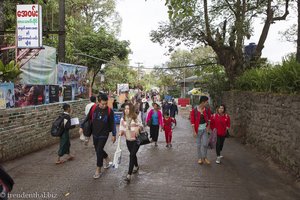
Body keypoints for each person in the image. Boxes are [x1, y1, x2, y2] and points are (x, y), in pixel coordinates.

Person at [86, 93, 116, 179]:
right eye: (102, 104)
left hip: (104, 133)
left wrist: (114, 134)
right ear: (98, 102)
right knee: (98, 150)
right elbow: (88, 118)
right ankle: (106, 157)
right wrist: (81, 126)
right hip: (95, 133)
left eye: (106, 103)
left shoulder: (110, 111)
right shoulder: (94, 108)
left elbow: (113, 123)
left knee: (99, 150)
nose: (104, 105)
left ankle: (98, 169)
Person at [119, 103, 143, 182]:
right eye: (125, 109)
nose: (126, 110)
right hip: (128, 140)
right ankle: (136, 166)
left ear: (131, 109)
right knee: (133, 155)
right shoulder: (123, 119)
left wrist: (138, 128)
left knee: (131, 155)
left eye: (128, 108)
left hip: (136, 140)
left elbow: (141, 125)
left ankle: (129, 175)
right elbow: (121, 128)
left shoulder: (135, 117)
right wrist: (121, 132)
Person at [190, 96, 212, 165]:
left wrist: (208, 126)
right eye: (206, 102)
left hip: (205, 130)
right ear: (203, 102)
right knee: (198, 145)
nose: (207, 103)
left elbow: (209, 119)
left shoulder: (207, 109)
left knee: (205, 144)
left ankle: (205, 157)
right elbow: (192, 121)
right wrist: (194, 131)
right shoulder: (194, 110)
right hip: (197, 130)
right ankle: (200, 158)